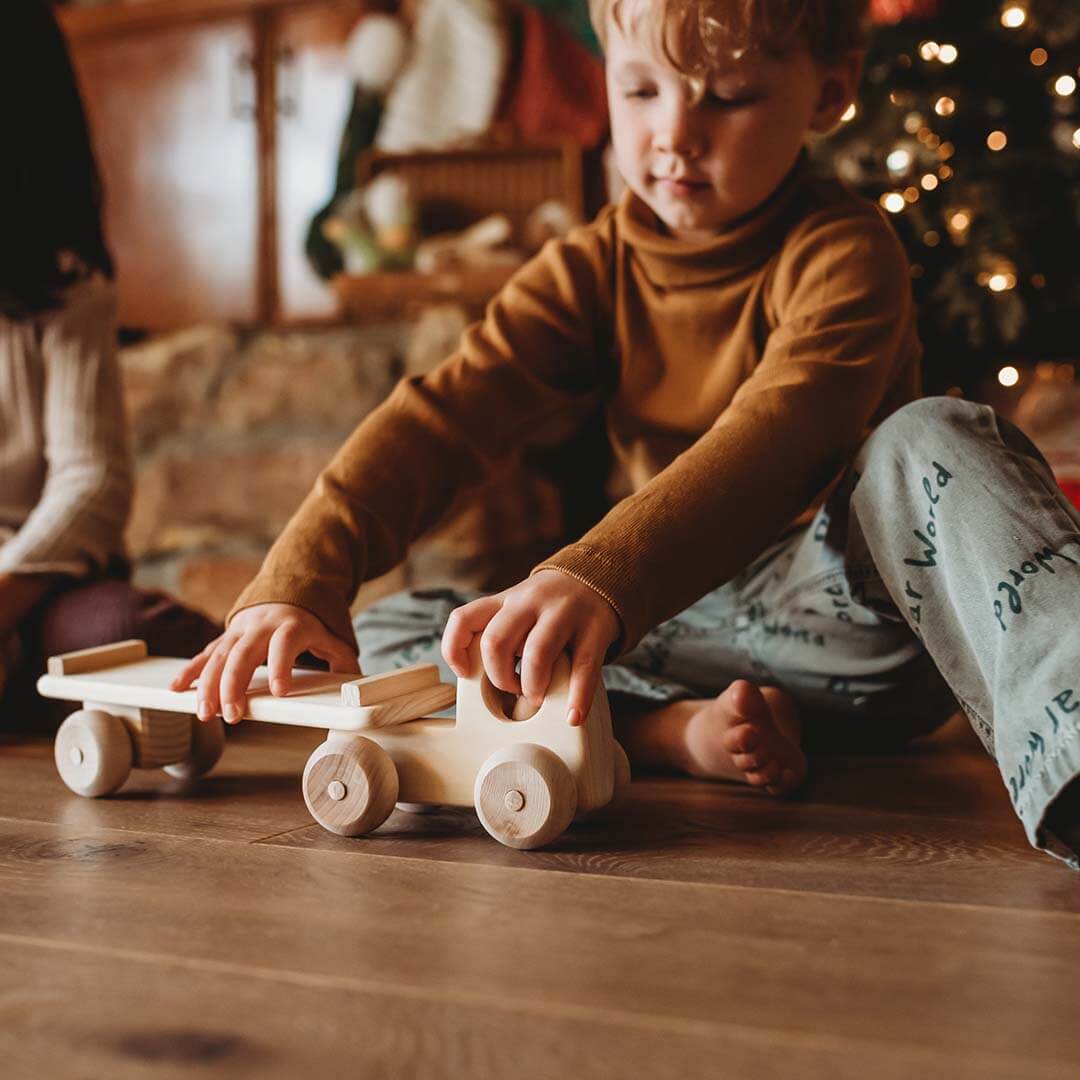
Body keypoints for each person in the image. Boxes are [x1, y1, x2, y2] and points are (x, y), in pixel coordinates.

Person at [175, 0, 1080, 865]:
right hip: (675, 636)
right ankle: (667, 731)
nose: (674, 135)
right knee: (404, 634)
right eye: (641, 89)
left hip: (844, 617)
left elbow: (776, 438)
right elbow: (446, 416)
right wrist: (296, 582)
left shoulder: (844, 253)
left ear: (830, 94)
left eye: (727, 97)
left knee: (937, 433)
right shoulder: (590, 264)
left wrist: (591, 576)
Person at [0, 0, 220, 733]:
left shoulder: (65, 287)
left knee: (117, 629)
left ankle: (239, 671)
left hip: (38, 586)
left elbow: (90, 482)